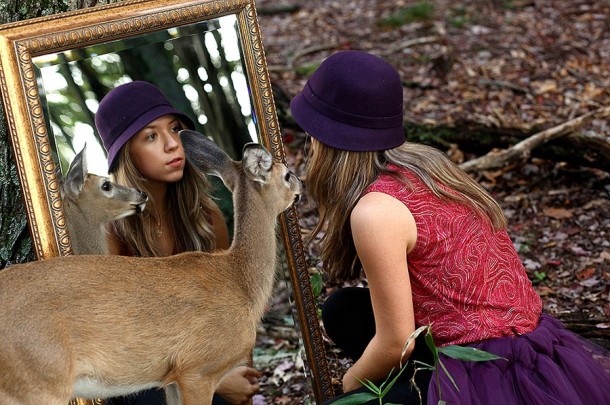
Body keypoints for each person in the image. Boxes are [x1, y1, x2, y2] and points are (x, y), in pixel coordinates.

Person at [290, 50, 610, 404]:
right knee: (342, 309)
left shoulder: (375, 212)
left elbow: (397, 341)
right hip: (522, 343)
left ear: (323, 138)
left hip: (489, 371)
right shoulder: (426, 166)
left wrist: (349, 383)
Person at [95, 80, 261, 405]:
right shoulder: (111, 232)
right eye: (151, 136)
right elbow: (118, 340)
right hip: (138, 376)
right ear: (126, 153)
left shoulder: (206, 217)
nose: (173, 144)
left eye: (174, 128)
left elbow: (233, 311)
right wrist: (213, 379)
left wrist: (240, 376)